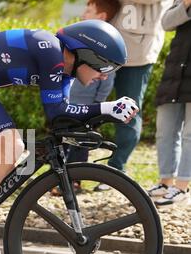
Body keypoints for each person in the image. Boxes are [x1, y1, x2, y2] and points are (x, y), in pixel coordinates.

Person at [0, 20, 139, 254]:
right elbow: (57, 112)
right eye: (105, 67)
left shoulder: (63, 73)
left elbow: (62, 117)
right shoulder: (51, 51)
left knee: (2, 164)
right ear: (87, 54)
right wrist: (108, 108)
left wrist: (104, 116)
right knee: (10, 148)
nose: (103, 76)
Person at [91, 0, 171, 191]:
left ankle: (116, 168)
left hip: (137, 56)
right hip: (107, 48)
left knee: (128, 110)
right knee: (88, 104)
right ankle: (74, 168)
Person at [65, 0, 121, 176]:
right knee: (65, 139)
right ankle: (62, 174)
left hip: (88, 105)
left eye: (88, 11)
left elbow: (108, 77)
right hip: (71, 101)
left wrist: (98, 103)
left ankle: (76, 177)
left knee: (82, 143)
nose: (83, 14)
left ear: (101, 16)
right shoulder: (82, 40)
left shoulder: (103, 45)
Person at [147, 0, 191, 206]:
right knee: (165, 130)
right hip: (175, 73)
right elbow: (166, 23)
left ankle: (182, 187)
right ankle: (166, 181)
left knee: (190, 135)